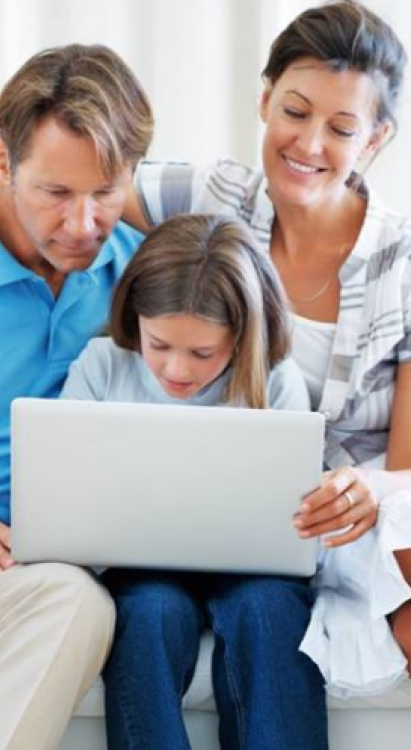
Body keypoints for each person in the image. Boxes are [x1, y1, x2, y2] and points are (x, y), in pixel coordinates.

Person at [113, 3, 411, 747]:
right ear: (264, 99)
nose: (309, 144)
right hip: (319, 520)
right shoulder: (213, 200)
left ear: (377, 138)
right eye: (294, 112)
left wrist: (375, 488)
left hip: (408, 491)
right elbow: (60, 176)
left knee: (409, 535)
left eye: (342, 128)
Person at [0, 43, 152, 749]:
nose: (83, 227)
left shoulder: (138, 274)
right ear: (5, 162)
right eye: (55, 193)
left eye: (105, 193)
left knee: (75, 605)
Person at [60, 212, 327, 750]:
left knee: (270, 609)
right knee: (148, 611)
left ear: (244, 337)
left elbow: (294, 525)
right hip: (138, 568)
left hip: (255, 570)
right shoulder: (101, 366)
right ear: (135, 319)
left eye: (203, 353)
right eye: (159, 344)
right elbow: (67, 495)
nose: (177, 371)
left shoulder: (275, 381)